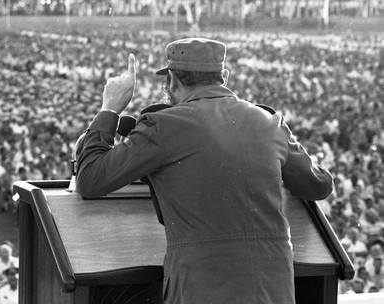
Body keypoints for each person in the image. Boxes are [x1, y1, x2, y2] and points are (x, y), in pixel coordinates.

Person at [75, 38, 334, 303]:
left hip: (200, 289)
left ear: (172, 80)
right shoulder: (269, 121)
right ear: (224, 76)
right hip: (273, 289)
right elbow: (320, 185)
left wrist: (110, 108)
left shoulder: (162, 125)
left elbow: (91, 179)